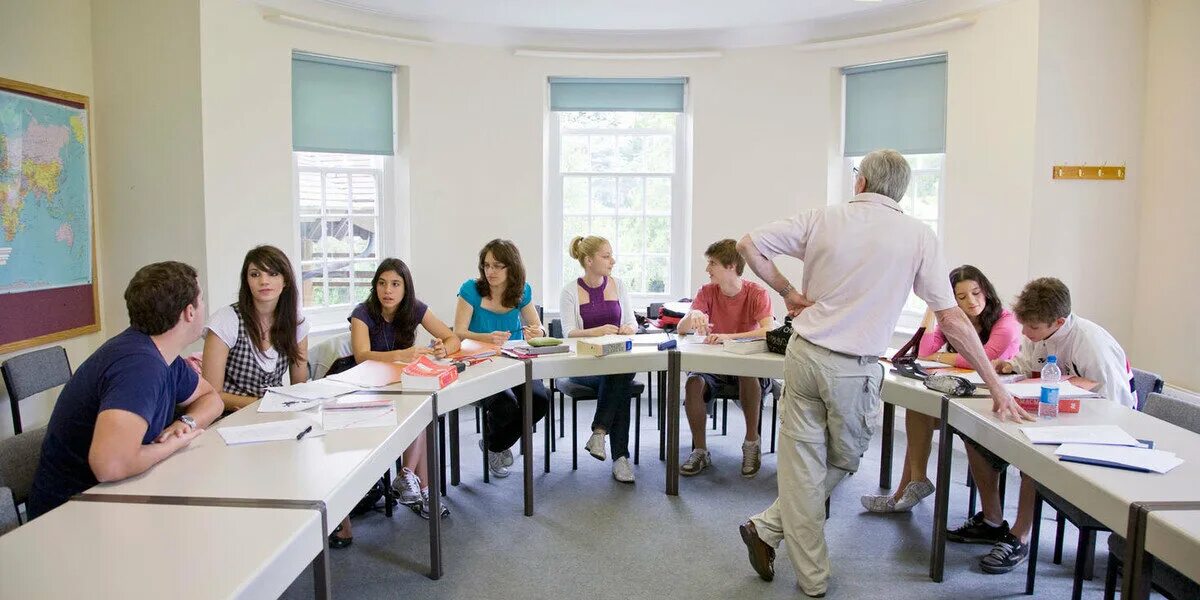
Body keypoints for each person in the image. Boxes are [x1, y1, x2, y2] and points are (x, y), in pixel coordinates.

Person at [734, 149, 1027, 598]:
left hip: (804, 354)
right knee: (839, 462)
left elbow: (747, 245)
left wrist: (789, 293)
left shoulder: (823, 218)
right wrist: (995, 385)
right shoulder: (918, 236)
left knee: (803, 471)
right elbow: (951, 318)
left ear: (861, 182)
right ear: (900, 190)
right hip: (852, 368)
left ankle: (771, 531)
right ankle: (804, 568)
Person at [949, 277, 1134, 574]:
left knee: (1033, 452)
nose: (1025, 332)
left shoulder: (1091, 343)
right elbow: (1027, 366)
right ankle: (993, 521)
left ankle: (1020, 536)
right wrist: (1009, 367)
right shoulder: (1037, 333)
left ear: (1059, 321)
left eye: (1033, 328)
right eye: (1024, 325)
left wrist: (1065, 386)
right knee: (976, 436)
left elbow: (1115, 402)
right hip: (1050, 415)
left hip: (1096, 428)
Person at [27, 261, 224, 519]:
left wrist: (186, 422)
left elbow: (212, 399)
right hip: (70, 516)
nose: (204, 307)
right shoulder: (139, 366)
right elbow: (110, 465)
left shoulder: (163, 356)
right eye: (201, 300)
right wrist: (172, 445)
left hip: (117, 498)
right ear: (189, 312)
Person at [861, 265, 1021, 513]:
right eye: (961, 297)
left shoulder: (1006, 321)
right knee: (918, 410)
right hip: (960, 396)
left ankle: (907, 490)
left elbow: (984, 358)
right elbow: (925, 351)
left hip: (990, 403)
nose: (971, 301)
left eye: (976, 293)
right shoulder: (956, 319)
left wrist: (945, 358)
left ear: (987, 291)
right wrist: (932, 310)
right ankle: (911, 486)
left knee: (921, 414)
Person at [350, 258, 459, 537]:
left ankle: (411, 480)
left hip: (403, 383)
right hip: (369, 387)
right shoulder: (362, 313)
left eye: (395, 284)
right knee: (422, 412)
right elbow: (361, 355)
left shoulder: (414, 309)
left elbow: (452, 339)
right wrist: (400, 355)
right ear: (375, 287)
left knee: (422, 409)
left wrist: (441, 350)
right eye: (382, 283)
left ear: (405, 287)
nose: (388, 290)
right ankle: (420, 487)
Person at [677, 239, 775, 478]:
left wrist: (727, 337)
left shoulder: (757, 293)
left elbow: (767, 330)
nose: (707, 269)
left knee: (747, 373)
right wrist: (694, 314)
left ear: (731, 266)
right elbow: (681, 329)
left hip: (744, 366)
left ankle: (751, 443)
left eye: (712, 263)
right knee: (693, 383)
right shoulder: (706, 292)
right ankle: (700, 450)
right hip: (714, 367)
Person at [454, 239, 550, 479]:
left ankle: (493, 445)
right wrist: (486, 337)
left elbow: (539, 328)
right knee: (506, 406)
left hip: (513, 361)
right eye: (486, 265)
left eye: (498, 266)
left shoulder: (522, 291)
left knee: (539, 400)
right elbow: (458, 333)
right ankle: (497, 445)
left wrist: (538, 332)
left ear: (512, 268)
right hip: (480, 364)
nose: (490, 272)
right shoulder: (470, 290)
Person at [559, 235, 640, 483]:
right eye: (606, 256)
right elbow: (568, 333)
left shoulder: (619, 284)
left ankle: (599, 432)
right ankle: (621, 459)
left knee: (619, 373)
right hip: (584, 367)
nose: (612, 261)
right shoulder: (570, 291)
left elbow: (632, 322)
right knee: (621, 383)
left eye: (610, 255)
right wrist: (596, 331)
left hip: (616, 362)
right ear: (588, 260)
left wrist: (628, 328)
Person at [201, 245, 309, 412]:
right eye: (255, 274)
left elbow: (299, 387)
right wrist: (265, 403)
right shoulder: (226, 320)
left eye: (273, 274)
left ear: (285, 280)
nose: (264, 281)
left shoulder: (296, 323)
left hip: (275, 413)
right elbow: (211, 393)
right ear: (247, 281)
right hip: (229, 415)